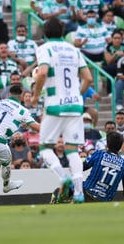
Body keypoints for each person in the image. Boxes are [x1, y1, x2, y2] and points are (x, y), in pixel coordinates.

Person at [31, 17, 93, 204]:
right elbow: (88, 78)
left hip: (54, 104)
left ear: (46, 33)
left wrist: (35, 95)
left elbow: (42, 73)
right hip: (75, 105)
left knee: (44, 147)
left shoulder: (44, 48)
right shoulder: (74, 50)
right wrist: (78, 96)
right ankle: (79, 193)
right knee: (73, 150)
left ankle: (62, 177)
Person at [51, 132, 124, 203]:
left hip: (86, 193)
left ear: (107, 144)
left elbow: (82, 167)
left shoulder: (99, 154)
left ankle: (58, 202)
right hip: (104, 201)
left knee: (62, 189)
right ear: (120, 146)